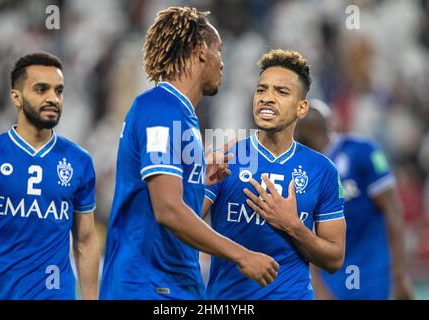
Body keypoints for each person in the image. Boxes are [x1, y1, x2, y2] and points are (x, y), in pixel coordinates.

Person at [99, 7, 278, 300]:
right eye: (219, 50)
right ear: (200, 52)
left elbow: (165, 197)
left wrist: (199, 181)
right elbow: (168, 209)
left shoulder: (181, 115)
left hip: (173, 283)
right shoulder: (161, 109)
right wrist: (242, 255)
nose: (222, 62)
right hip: (147, 286)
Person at [202, 49, 346, 300]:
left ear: (301, 108)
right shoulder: (227, 158)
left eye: (281, 92)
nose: (267, 98)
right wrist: (199, 180)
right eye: (261, 89)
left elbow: (334, 259)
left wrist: (293, 226)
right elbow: (183, 225)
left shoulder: (322, 170)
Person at [0, 52, 100, 300]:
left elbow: (85, 240)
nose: (52, 99)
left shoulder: (79, 161)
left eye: (59, 91)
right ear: (16, 97)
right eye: (41, 89)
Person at [294, 99, 413, 299]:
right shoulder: (300, 172)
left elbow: (392, 210)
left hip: (372, 268)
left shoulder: (363, 151)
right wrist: (316, 285)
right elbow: (303, 234)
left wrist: (400, 273)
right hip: (332, 275)